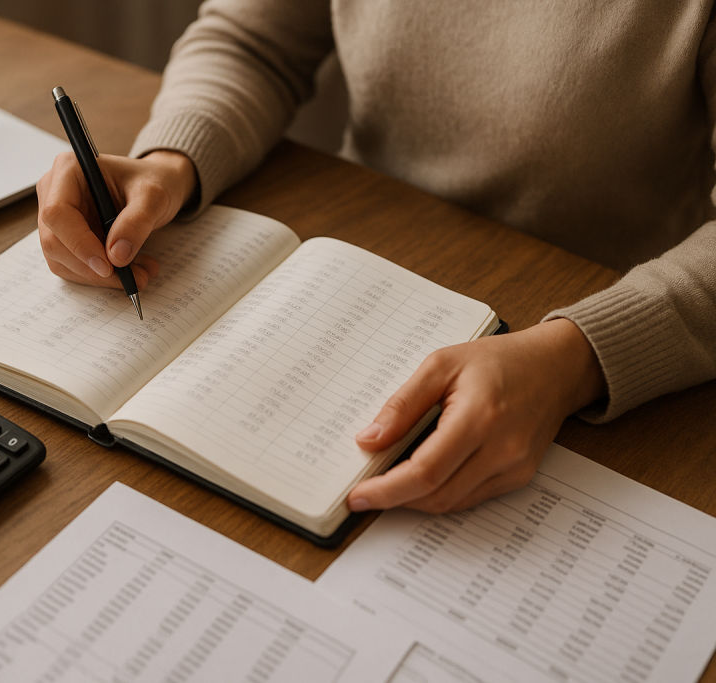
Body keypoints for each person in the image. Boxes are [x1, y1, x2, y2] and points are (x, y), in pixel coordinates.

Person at [36, 0, 716, 514]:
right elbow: (252, 40)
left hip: (617, 334)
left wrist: (578, 359)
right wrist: (170, 161)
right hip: (364, 257)